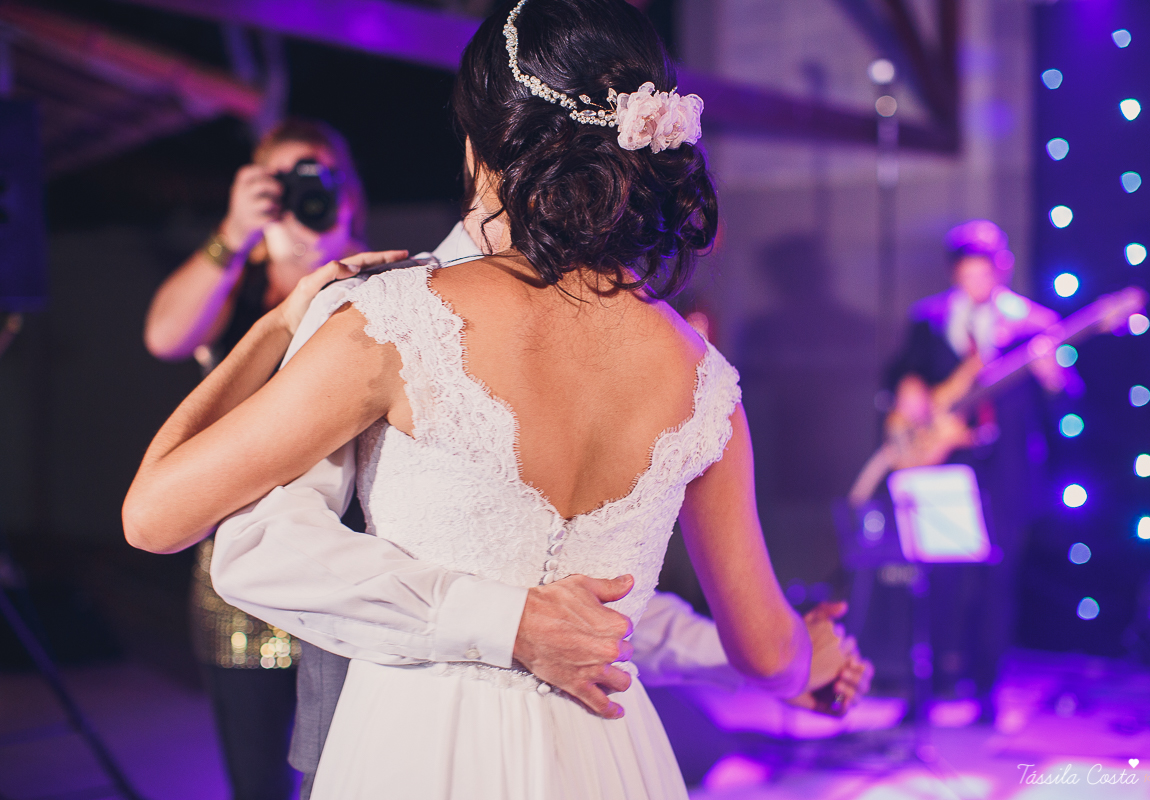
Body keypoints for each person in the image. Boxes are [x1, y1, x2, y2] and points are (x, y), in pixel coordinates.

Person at [123, 1, 858, 795]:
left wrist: (278, 324)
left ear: (480, 146)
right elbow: (765, 648)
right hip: (608, 757)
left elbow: (155, 517)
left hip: (419, 748)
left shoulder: (393, 323)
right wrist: (804, 661)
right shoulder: (706, 381)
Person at [206, 221, 872, 798]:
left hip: (431, 736)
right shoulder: (379, 314)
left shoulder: (382, 320)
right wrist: (787, 656)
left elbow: (604, 611)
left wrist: (754, 656)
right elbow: (262, 549)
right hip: (507, 744)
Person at [141, 117, 368, 800]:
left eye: (319, 178)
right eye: (286, 180)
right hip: (240, 574)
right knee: (258, 784)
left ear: (348, 189)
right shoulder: (234, 286)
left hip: (355, 559)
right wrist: (234, 235)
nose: (306, 196)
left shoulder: (376, 277)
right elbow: (162, 336)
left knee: (359, 769)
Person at [882, 219, 1069, 704]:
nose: (976, 280)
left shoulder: (1033, 324)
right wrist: (912, 399)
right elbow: (903, 378)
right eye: (967, 271)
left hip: (1006, 465)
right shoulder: (929, 317)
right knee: (939, 576)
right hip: (946, 461)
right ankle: (932, 685)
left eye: (984, 270)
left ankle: (988, 692)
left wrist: (1054, 378)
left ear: (1001, 269)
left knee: (996, 580)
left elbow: (1065, 404)